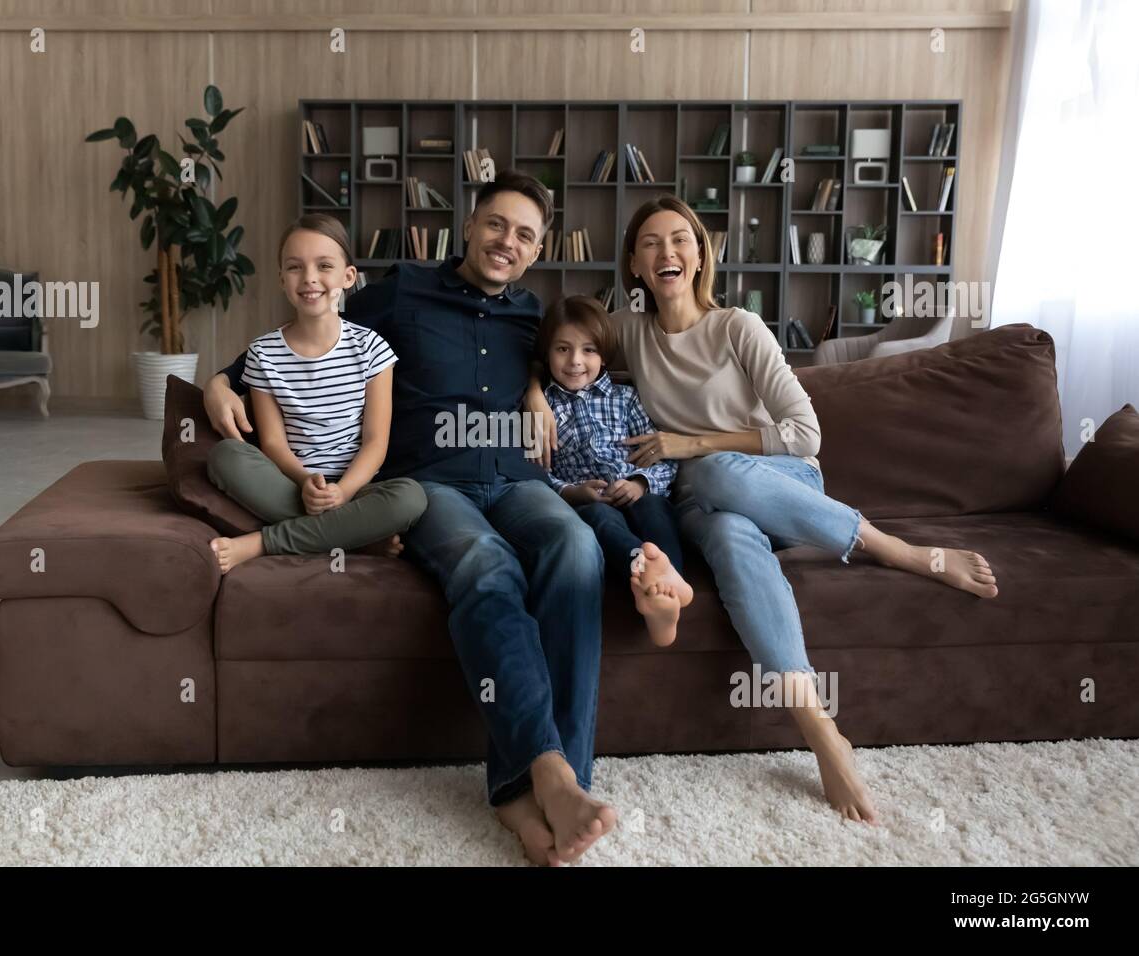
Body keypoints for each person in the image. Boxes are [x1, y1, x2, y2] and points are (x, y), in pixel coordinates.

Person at [530, 195, 999, 826]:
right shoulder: (627, 333)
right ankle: (820, 729)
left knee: (718, 472)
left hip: (776, 485)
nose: (666, 252)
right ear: (635, 265)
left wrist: (693, 443)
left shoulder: (737, 328)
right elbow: (560, 350)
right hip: (701, 504)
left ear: (699, 254)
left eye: (680, 239)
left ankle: (894, 548)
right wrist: (534, 393)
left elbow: (804, 434)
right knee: (724, 537)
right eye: (649, 243)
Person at [203, 172, 615, 865]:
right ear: (469, 225)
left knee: (577, 550)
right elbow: (312, 318)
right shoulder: (400, 291)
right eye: (495, 225)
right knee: (487, 566)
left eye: (523, 235)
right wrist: (221, 376)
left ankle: (548, 790)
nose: (505, 242)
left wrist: (538, 390)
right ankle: (543, 774)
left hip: (516, 477)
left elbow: (572, 366)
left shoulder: (531, 314)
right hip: (432, 480)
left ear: (537, 251)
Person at [206, 214, 427, 571]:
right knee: (225, 457)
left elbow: (375, 442)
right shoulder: (263, 354)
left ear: (348, 277)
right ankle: (355, 538)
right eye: (295, 267)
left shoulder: (372, 349)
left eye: (324, 265)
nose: (309, 277)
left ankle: (265, 542)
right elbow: (274, 443)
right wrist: (306, 481)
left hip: (356, 488)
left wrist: (345, 492)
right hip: (292, 486)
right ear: (281, 279)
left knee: (411, 498)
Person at [537, 294, 693, 647]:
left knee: (654, 509)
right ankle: (645, 573)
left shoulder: (626, 398)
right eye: (563, 349)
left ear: (604, 355)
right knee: (601, 520)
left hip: (636, 491)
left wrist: (640, 482)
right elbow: (534, 469)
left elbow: (662, 457)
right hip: (588, 500)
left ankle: (670, 585)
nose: (576, 361)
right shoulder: (542, 407)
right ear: (546, 353)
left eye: (589, 350)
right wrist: (569, 491)